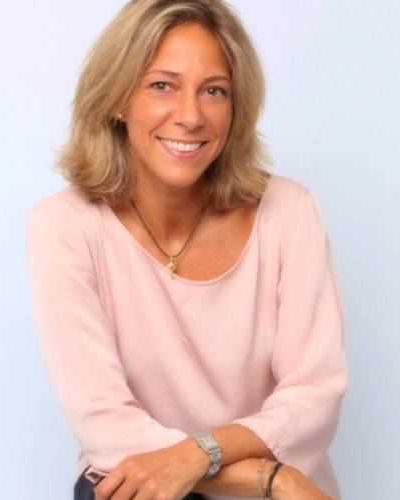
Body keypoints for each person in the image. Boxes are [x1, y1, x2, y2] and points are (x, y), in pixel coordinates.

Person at [25, 1, 349, 499]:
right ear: (117, 98)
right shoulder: (65, 225)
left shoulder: (289, 212)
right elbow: (104, 423)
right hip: (153, 486)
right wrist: (267, 477)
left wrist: (200, 454)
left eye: (214, 90)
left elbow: (314, 395)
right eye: (162, 85)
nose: (191, 116)